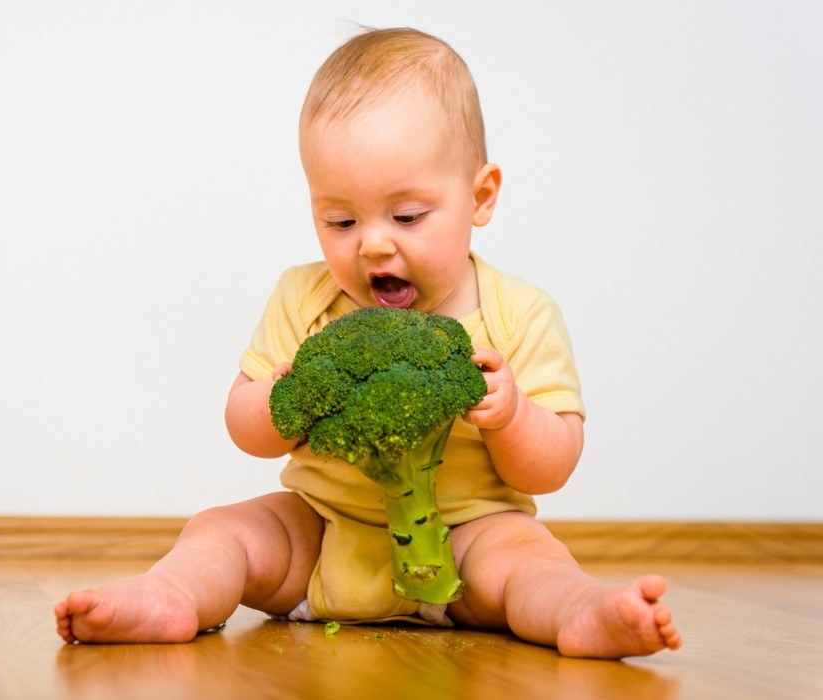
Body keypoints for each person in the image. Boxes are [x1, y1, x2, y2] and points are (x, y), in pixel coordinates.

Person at [55, 27, 681, 659]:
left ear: (480, 196)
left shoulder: (519, 312)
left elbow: (553, 465)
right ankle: (169, 596)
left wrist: (513, 415)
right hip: (322, 535)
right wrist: (286, 396)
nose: (373, 244)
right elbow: (243, 425)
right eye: (340, 220)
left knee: (528, 560)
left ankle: (581, 612)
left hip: (469, 540)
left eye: (407, 216)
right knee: (224, 530)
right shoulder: (304, 297)